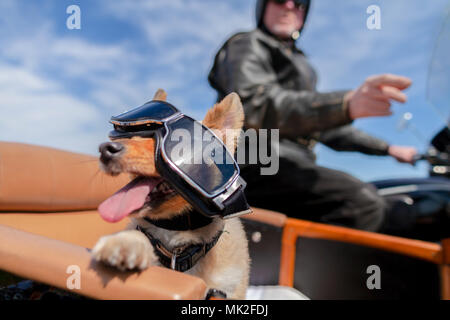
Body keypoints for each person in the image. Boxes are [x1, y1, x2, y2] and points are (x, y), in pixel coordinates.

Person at [208, 0, 418, 232]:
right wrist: (343, 104)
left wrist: (388, 148)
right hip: (256, 162)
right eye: (279, 0)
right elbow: (256, 104)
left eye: (299, 3)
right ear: (263, 6)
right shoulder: (246, 44)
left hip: (292, 166)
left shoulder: (302, 64)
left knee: (396, 205)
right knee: (361, 202)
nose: (289, 6)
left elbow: (323, 127)